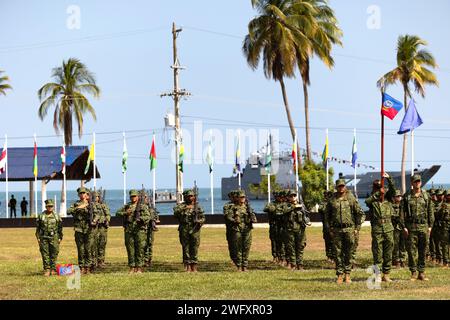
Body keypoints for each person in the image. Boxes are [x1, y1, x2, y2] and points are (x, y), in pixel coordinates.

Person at [325, 179, 364, 284]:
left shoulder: (350, 198)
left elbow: (359, 213)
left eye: (343, 186)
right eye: (339, 186)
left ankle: (348, 274)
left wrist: (357, 228)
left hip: (349, 229)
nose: (341, 188)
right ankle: (339, 275)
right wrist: (329, 229)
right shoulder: (332, 199)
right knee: (337, 253)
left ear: (345, 187)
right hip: (337, 230)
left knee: (348, 252)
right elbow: (326, 216)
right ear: (336, 187)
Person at [400, 174, 434, 281]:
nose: (417, 183)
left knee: (423, 250)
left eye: (419, 181)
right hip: (411, 227)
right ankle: (413, 272)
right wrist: (403, 226)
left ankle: (421, 272)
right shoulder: (407, 196)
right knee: (411, 250)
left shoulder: (426, 195)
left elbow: (430, 211)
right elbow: (401, 213)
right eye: (415, 181)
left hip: (423, 227)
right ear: (412, 183)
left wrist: (430, 226)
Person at [116, 189, 151, 274]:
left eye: (134, 196)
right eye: (131, 196)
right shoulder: (127, 206)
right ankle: (132, 267)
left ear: (138, 197)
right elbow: (117, 213)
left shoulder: (142, 206)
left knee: (140, 249)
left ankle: (139, 267)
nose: (133, 198)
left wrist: (141, 219)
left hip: (139, 230)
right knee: (130, 249)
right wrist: (125, 213)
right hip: (129, 230)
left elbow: (148, 216)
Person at [365, 183, 395, 282]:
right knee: (377, 252)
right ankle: (377, 274)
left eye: (380, 188)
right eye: (377, 188)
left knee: (388, 252)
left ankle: (386, 274)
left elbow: (393, 191)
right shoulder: (372, 200)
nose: (380, 190)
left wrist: (389, 179)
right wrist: (378, 193)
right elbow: (367, 201)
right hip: (377, 229)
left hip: (388, 229)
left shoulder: (388, 199)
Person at [67, 187, 99, 274]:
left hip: (89, 229)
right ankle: (81, 267)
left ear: (86, 194)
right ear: (78, 195)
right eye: (80, 193)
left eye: (84, 193)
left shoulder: (91, 204)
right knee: (80, 249)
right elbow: (68, 211)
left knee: (88, 249)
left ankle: (88, 267)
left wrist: (94, 221)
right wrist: (79, 207)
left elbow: (97, 215)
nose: (82, 195)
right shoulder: (76, 204)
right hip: (79, 229)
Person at [224, 189, 257, 271]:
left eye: (244, 197)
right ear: (237, 198)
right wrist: (234, 220)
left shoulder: (247, 207)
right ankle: (239, 265)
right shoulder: (233, 207)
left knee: (246, 247)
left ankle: (245, 265)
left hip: (247, 229)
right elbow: (228, 217)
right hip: (237, 229)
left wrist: (251, 216)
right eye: (241, 197)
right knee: (237, 247)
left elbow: (254, 219)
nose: (243, 199)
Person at [173, 189, 205, 272]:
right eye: (188, 196)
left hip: (195, 229)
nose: (190, 198)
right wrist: (185, 208)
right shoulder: (181, 206)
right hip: (184, 228)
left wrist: (199, 222)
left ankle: (194, 265)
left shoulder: (198, 207)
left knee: (194, 246)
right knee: (185, 246)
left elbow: (203, 218)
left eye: (192, 196)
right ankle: (187, 265)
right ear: (185, 197)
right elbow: (175, 213)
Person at [283, 190, 309, 270]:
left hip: (300, 229)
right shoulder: (286, 205)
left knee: (300, 246)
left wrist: (307, 220)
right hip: (290, 229)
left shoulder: (301, 205)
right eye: (291, 196)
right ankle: (293, 264)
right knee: (291, 247)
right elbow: (284, 211)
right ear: (288, 197)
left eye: (294, 195)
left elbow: (306, 214)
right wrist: (293, 206)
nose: (293, 197)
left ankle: (300, 265)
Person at [35, 199, 63, 276]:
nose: (50, 207)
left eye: (51, 206)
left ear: (53, 207)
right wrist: (38, 237)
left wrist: (60, 237)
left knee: (54, 253)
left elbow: (60, 228)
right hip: (44, 237)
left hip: (54, 237)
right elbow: (38, 228)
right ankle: (47, 269)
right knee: (45, 253)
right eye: (48, 206)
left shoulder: (57, 216)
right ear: (46, 206)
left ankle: (53, 269)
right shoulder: (41, 216)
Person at [263, 190, 286, 264]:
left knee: (282, 242)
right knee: (274, 242)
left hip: (283, 226)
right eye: (278, 196)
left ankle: (282, 257)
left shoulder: (285, 204)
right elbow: (265, 209)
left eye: (281, 196)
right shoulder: (272, 204)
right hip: (274, 226)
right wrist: (273, 209)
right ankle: (275, 256)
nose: (280, 198)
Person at [433, 190, 450, 268]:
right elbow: (439, 216)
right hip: (445, 227)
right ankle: (446, 261)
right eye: (448, 195)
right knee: (445, 245)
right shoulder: (444, 205)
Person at [94, 191, 111, 268]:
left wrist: (106, 220)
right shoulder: (91, 206)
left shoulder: (103, 206)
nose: (95, 198)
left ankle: (101, 261)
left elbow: (108, 214)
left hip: (102, 227)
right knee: (93, 244)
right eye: (94, 197)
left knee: (102, 243)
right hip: (94, 228)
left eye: (97, 196)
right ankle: (94, 261)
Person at [144, 193, 160, 268]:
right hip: (142, 229)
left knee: (149, 244)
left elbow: (156, 217)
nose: (145, 199)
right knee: (142, 245)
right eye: (144, 198)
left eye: (146, 198)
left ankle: (148, 260)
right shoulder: (140, 208)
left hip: (150, 229)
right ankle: (144, 260)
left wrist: (154, 220)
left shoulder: (151, 209)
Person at [319, 190, 335, 263]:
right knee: (328, 242)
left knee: (334, 242)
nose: (327, 197)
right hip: (326, 227)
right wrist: (327, 203)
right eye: (326, 195)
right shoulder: (323, 203)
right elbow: (321, 209)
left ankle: (334, 256)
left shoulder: (334, 203)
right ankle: (329, 256)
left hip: (334, 226)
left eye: (329, 195)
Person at [223, 191, 237, 265]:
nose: (234, 198)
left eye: (235, 196)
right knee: (232, 244)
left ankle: (239, 259)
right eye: (233, 197)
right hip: (231, 228)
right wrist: (234, 220)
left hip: (240, 228)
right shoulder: (227, 206)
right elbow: (227, 216)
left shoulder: (242, 205)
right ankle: (233, 258)